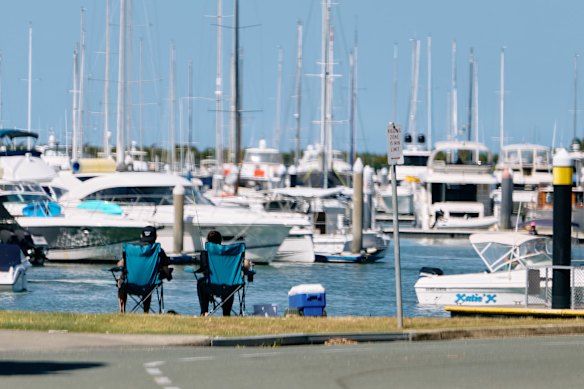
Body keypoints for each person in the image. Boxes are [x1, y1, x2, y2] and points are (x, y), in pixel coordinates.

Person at [117, 226, 172, 313]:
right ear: (155, 237)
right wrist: (169, 275)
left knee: (121, 281)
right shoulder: (158, 251)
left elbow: (121, 264)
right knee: (150, 279)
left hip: (130, 285)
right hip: (148, 286)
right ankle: (146, 312)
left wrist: (119, 263)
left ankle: (122, 311)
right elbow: (165, 268)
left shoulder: (131, 249)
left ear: (141, 236)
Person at [197, 230, 250, 316]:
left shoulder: (205, 253)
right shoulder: (232, 253)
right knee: (229, 284)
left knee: (201, 283)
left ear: (208, 241)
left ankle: (204, 312)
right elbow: (243, 266)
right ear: (220, 240)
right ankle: (226, 314)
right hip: (231, 285)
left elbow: (203, 269)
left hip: (212, 285)